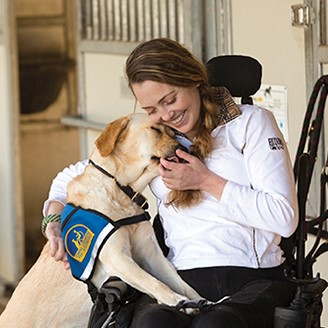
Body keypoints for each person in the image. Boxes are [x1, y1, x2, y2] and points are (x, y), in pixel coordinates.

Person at [42, 38, 298, 328]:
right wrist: (53, 218)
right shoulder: (159, 140)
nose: (166, 115)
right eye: (152, 109)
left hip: (252, 276)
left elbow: (284, 218)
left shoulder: (251, 123)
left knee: (213, 325)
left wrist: (206, 181)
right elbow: (77, 176)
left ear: (193, 81)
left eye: (170, 99)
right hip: (179, 276)